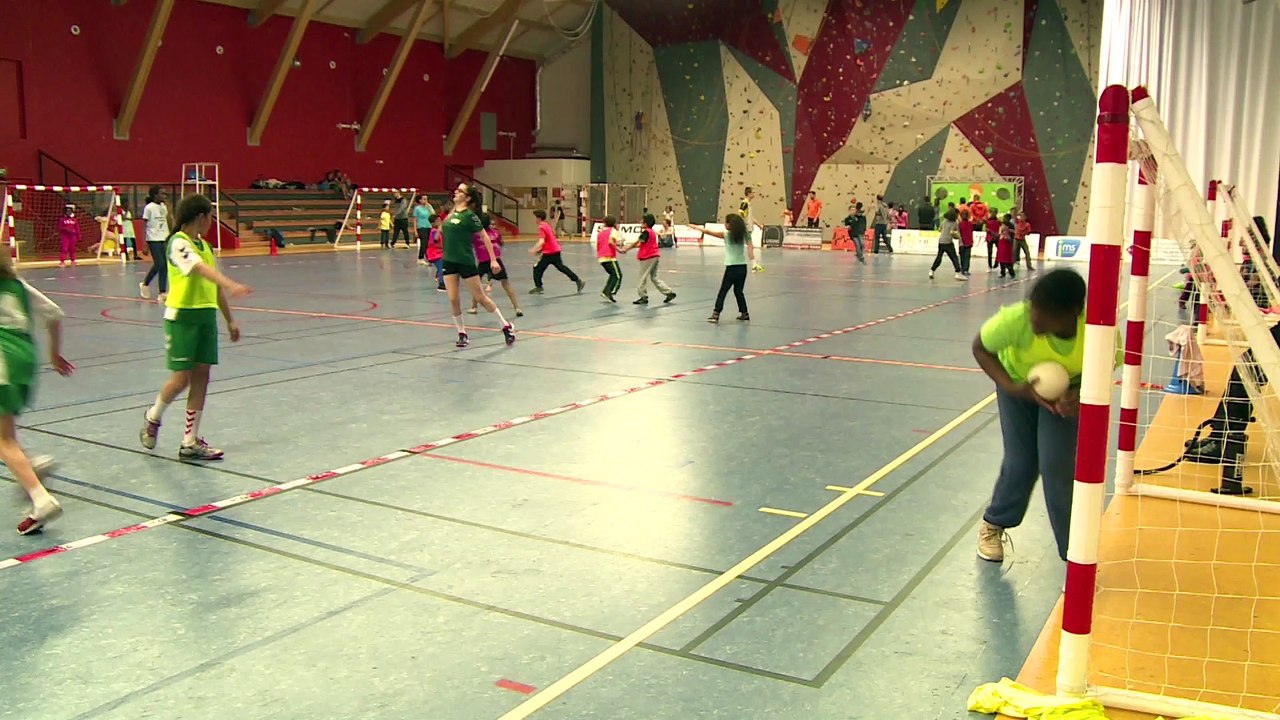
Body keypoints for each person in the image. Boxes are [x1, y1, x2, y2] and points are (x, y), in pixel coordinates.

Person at [973, 268, 1116, 562]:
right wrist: (1014, 388)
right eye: (1033, 308)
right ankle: (994, 523)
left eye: (1044, 313)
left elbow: (1103, 371)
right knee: (1022, 462)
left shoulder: (1097, 331)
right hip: (1019, 387)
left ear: (1072, 313)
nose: (1034, 318)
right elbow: (980, 348)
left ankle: (1074, 553)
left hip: (1069, 393)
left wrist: (1078, 395)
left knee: (1057, 467)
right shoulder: (1017, 319)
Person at [138, 194, 253, 461]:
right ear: (200, 217)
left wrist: (229, 319)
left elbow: (211, 286)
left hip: (205, 318)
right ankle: (153, 416)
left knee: (202, 376)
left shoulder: (206, 247)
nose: (211, 222)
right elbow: (199, 270)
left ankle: (190, 440)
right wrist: (230, 283)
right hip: (182, 318)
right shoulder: (178, 242)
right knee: (181, 379)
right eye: (210, 216)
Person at [0, 249, 74, 534]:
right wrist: (54, 354)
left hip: (3, 354)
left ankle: (41, 498)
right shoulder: (16, 282)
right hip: (25, 355)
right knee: (6, 433)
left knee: (3, 439)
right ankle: (30, 466)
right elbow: (54, 314)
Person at [443, 184, 514, 348]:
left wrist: (493, 260)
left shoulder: (470, 216)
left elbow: (484, 237)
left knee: (480, 297)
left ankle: (505, 326)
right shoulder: (451, 214)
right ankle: (462, 333)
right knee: (453, 299)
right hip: (449, 261)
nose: (456, 191)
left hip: (466, 261)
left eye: (460, 191)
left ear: (467, 198)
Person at [690, 214, 758, 323]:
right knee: (738, 291)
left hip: (731, 268)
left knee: (723, 291)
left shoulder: (726, 235)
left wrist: (696, 227)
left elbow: (708, 232)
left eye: (726, 222)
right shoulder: (744, 235)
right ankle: (744, 313)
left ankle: (716, 314)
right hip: (742, 267)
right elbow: (750, 247)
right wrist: (753, 262)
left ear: (730, 225)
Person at [469, 214, 522, 317]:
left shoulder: (476, 234)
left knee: (476, 284)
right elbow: (501, 243)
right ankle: (517, 307)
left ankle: (474, 307)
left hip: (483, 262)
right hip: (496, 261)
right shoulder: (495, 233)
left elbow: (469, 244)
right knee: (506, 284)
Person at [529, 209, 585, 294]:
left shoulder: (541, 227)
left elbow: (541, 241)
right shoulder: (547, 225)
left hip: (549, 253)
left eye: (535, 217)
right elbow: (549, 240)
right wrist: (540, 250)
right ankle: (578, 280)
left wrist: (534, 249)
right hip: (555, 250)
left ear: (539, 218)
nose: (534, 219)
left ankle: (538, 287)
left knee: (537, 268)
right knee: (561, 267)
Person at [626, 213, 676, 304]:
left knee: (642, 277)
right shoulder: (651, 232)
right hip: (654, 256)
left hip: (648, 257)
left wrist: (626, 249)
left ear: (646, 222)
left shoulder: (646, 232)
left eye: (642, 220)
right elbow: (641, 244)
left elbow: (637, 242)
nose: (641, 222)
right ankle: (669, 292)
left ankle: (643, 296)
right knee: (654, 278)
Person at [140, 186, 171, 300]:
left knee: (165, 265)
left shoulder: (164, 207)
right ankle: (145, 284)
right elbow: (144, 225)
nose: (164, 196)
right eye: (162, 194)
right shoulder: (149, 208)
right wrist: (144, 243)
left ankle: (162, 292)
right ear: (155, 195)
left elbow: (168, 220)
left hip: (164, 238)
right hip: (153, 239)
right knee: (159, 263)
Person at [930, 206, 964, 280]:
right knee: (954, 258)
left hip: (941, 241)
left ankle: (932, 270)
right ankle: (958, 273)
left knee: (939, 257)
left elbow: (939, 229)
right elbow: (957, 234)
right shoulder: (955, 223)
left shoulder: (944, 221)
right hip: (948, 242)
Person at [596, 215, 624, 303]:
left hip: (601, 257)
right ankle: (610, 292)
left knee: (613, 275)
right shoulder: (613, 231)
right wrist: (619, 249)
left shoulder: (600, 232)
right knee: (618, 276)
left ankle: (606, 291)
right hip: (609, 257)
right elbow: (612, 241)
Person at [414, 195, 435, 264]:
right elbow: (415, 220)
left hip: (428, 226)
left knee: (428, 243)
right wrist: (415, 230)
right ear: (420, 200)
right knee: (424, 243)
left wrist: (429, 206)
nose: (425, 200)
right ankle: (420, 257)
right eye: (424, 199)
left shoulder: (428, 207)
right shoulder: (417, 209)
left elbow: (433, 214)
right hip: (421, 227)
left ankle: (428, 257)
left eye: (426, 199)